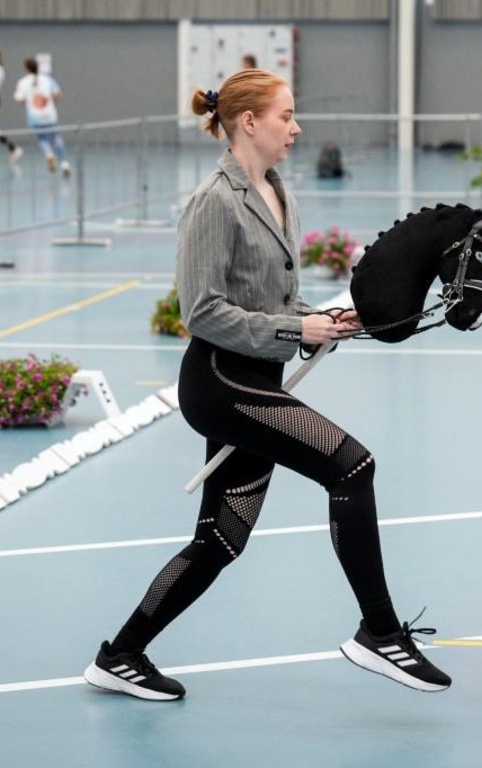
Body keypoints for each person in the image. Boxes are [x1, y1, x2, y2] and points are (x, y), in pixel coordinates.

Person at [83, 69, 451, 701]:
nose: (296, 127)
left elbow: (277, 300)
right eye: (286, 115)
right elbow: (200, 311)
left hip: (259, 380)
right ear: (248, 121)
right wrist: (295, 330)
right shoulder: (215, 201)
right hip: (222, 383)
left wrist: (329, 320)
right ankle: (380, 632)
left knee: (221, 540)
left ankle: (120, 655)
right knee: (352, 466)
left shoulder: (278, 190)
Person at [12, 58, 71, 176]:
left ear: (26, 69)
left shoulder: (23, 82)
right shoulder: (47, 79)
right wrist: (50, 100)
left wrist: (27, 99)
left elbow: (18, 99)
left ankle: (49, 154)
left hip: (35, 116)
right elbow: (58, 94)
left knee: (41, 138)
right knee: (56, 137)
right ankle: (64, 163)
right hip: (49, 114)